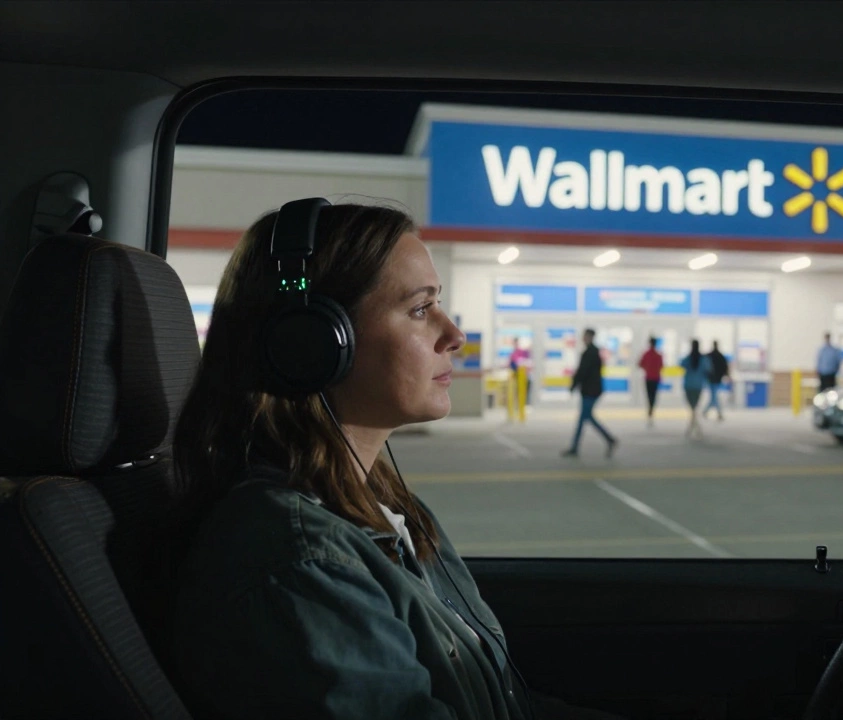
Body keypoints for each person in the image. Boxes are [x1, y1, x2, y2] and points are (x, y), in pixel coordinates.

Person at [169, 201, 621, 720]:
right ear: (311, 344)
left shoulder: (380, 507)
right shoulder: (302, 563)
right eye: (420, 309)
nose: (455, 336)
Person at [564, 328, 618, 458]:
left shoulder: (589, 353)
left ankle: (609, 439)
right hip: (592, 390)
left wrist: (573, 385)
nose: (583, 338)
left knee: (585, 417)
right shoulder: (595, 352)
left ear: (589, 337)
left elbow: (582, 371)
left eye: (584, 336)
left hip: (590, 391)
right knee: (585, 418)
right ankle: (576, 447)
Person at [680, 340, 714, 440]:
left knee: (692, 408)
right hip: (698, 385)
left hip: (688, 385)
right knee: (694, 408)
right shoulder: (703, 359)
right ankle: (695, 428)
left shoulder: (688, 358)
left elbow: (681, 365)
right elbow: (709, 369)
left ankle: (692, 428)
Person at [638, 337, 664, 427]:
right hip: (656, 378)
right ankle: (651, 410)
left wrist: (647, 368)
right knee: (653, 396)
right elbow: (661, 366)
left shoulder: (646, 354)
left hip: (648, 378)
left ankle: (650, 411)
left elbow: (640, 364)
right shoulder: (658, 355)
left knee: (649, 396)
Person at [703, 340, 730, 422]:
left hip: (711, 379)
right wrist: (726, 375)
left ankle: (707, 412)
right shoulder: (720, 356)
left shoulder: (709, 356)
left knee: (713, 396)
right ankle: (717, 413)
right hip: (717, 379)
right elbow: (725, 367)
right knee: (714, 396)